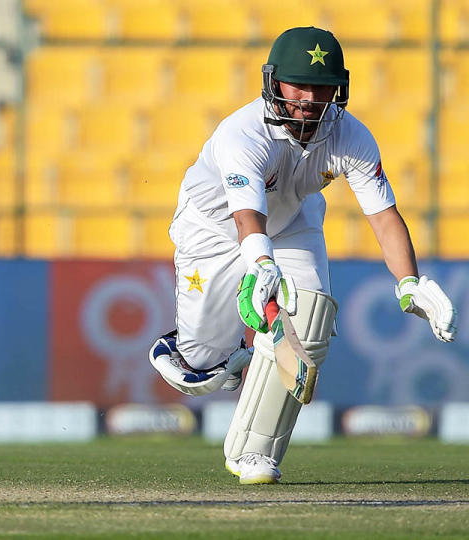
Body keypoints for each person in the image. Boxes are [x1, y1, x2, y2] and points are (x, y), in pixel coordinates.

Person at [147, 27, 457, 484]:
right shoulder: (242, 133)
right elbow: (246, 216)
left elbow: (384, 216)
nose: (310, 98)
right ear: (273, 82)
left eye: (322, 86)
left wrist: (410, 282)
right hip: (214, 229)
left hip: (294, 222)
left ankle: (254, 452)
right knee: (199, 370)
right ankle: (214, 354)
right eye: (300, 85)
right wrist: (262, 264)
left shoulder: (349, 135)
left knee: (308, 322)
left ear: (339, 88)